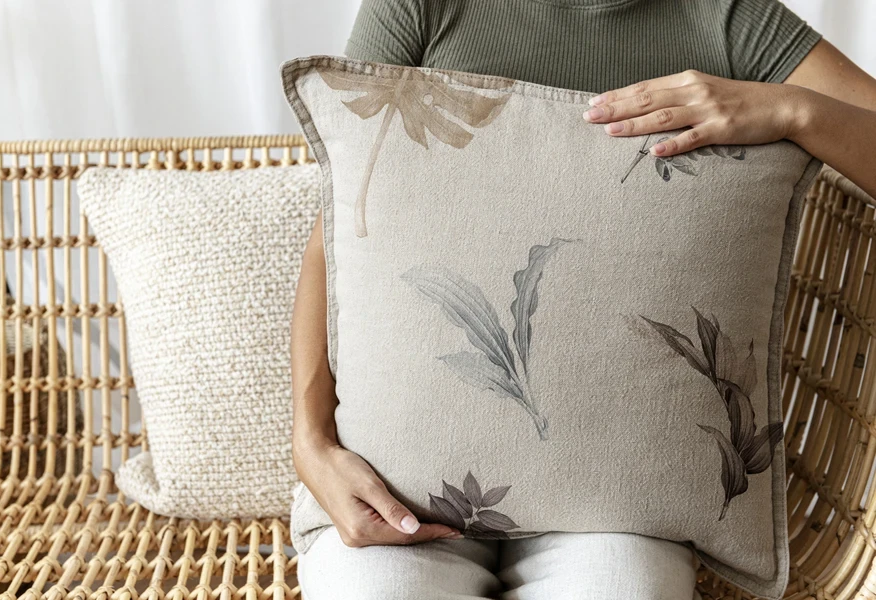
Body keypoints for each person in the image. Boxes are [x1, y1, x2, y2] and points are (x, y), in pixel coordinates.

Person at [290, 1, 876, 598]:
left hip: (619, 505)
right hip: (396, 488)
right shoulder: (421, 7)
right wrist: (311, 446)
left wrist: (793, 110)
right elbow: (336, 233)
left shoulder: (727, 19)